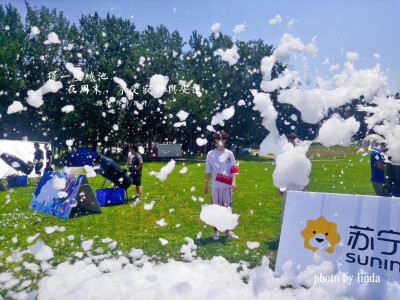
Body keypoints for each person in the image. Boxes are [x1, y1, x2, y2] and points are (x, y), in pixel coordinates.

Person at [204, 130, 239, 240]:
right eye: (218, 138)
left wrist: (234, 181)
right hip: (216, 185)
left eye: (223, 138)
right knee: (216, 208)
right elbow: (208, 170)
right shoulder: (211, 154)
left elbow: (233, 168)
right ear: (215, 140)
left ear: (225, 140)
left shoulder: (229, 153)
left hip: (227, 185)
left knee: (227, 207)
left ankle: (228, 231)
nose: (221, 140)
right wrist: (206, 184)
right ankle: (216, 231)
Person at [279, 133, 307, 217]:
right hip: (287, 188)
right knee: (286, 212)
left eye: (291, 142)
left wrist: (305, 188)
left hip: (299, 187)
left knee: (299, 211)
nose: (290, 144)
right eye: (289, 142)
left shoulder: (300, 154)